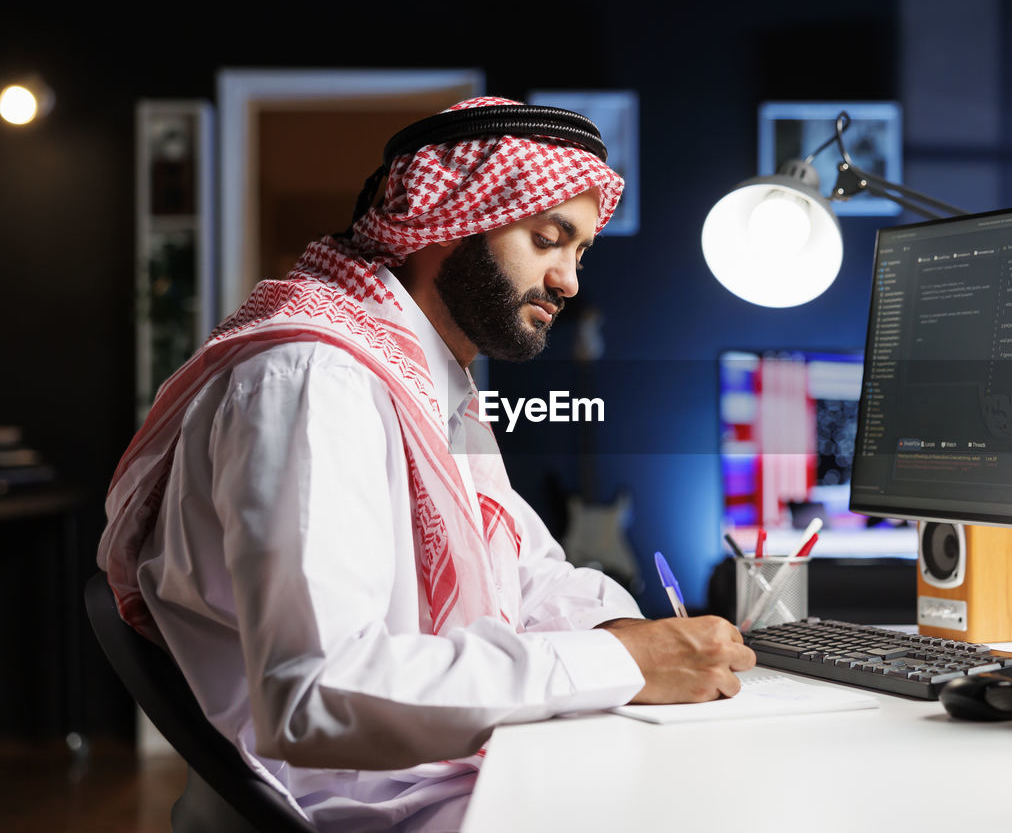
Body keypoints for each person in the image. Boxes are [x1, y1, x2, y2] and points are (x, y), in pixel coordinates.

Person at [98, 96, 755, 832]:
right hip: (360, 807)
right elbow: (317, 692)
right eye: (547, 239)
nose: (569, 279)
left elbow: (527, 570)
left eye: (580, 251)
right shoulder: (316, 378)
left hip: (430, 781)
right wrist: (620, 665)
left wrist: (659, 642)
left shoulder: (429, 383)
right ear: (451, 220)